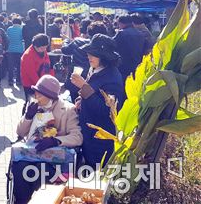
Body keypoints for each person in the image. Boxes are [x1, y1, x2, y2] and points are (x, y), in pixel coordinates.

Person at [13, 75, 83, 204]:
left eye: (40, 95)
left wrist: (56, 140)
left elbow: (77, 137)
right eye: (36, 93)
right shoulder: (33, 106)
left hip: (53, 159)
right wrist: (28, 116)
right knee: (19, 166)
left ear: (50, 96)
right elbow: (20, 132)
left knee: (40, 169)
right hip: (31, 153)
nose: (36, 97)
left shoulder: (68, 109)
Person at [70, 34, 125, 170]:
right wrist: (80, 101)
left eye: (93, 54)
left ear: (104, 57)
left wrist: (84, 87)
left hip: (100, 139)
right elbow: (93, 95)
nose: (88, 56)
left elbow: (106, 111)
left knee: (96, 173)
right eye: (89, 53)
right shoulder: (95, 69)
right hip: (89, 133)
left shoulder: (113, 77)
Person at [61, 21, 107, 102]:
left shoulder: (78, 41)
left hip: (75, 80)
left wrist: (66, 41)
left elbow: (65, 50)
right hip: (93, 83)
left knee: (75, 106)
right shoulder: (105, 48)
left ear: (88, 32)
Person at [21, 34, 55, 108]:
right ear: (35, 46)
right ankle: (25, 118)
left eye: (45, 47)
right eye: (42, 48)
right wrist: (43, 86)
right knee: (30, 103)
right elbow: (32, 74)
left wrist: (51, 79)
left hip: (41, 81)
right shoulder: (27, 56)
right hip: (30, 84)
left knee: (40, 104)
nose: (44, 50)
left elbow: (47, 64)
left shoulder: (42, 49)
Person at [113, 15, 147, 83]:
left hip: (124, 65)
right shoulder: (141, 34)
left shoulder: (121, 33)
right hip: (138, 64)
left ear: (121, 23)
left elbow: (112, 44)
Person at [6, 17, 25, 85]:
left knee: (10, 66)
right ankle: (18, 80)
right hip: (19, 49)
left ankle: (10, 80)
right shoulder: (21, 29)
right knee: (19, 66)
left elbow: (7, 38)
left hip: (10, 49)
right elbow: (22, 38)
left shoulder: (9, 29)